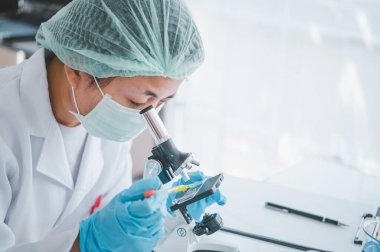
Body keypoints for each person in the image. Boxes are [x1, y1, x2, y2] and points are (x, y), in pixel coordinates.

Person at [0, 0, 226, 251]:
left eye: (163, 101)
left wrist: (165, 220)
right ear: (77, 69)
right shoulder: (6, 125)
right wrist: (86, 243)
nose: (147, 115)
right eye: (138, 101)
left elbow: (115, 230)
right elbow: (94, 238)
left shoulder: (101, 116)